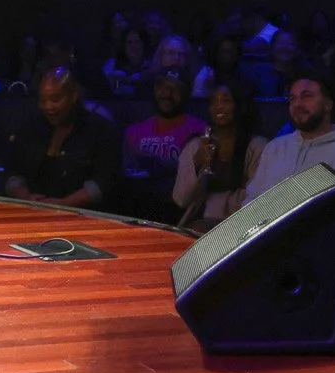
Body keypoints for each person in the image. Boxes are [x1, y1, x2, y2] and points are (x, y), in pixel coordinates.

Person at [229, 71, 335, 209]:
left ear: (328, 103)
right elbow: (252, 202)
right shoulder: (275, 147)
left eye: (306, 96)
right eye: (293, 98)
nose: (297, 104)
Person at [0, 68, 122, 208]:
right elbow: (12, 172)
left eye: (55, 99)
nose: (48, 106)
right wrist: (26, 197)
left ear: (74, 95)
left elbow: (105, 181)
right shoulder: (29, 128)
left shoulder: (100, 130)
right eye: (43, 100)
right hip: (33, 212)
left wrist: (63, 205)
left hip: (83, 218)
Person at [173, 80, 268, 227]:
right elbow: (180, 199)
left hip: (243, 226)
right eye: (213, 101)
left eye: (226, 100)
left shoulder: (258, 146)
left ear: (239, 105)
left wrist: (211, 203)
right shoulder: (195, 145)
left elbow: (257, 199)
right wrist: (197, 167)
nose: (219, 106)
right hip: (197, 225)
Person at [123, 67, 209, 215]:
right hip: (135, 206)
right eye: (163, 87)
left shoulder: (200, 131)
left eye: (175, 89)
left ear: (185, 94)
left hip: (176, 208)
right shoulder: (133, 132)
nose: (168, 94)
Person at [101, 26, 151, 97]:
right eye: (129, 42)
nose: (133, 46)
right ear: (124, 45)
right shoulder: (112, 64)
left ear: (144, 44)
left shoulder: (152, 64)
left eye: (137, 41)